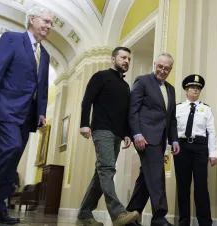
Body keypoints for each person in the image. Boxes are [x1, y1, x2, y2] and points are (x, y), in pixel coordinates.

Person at [0, 5, 53, 224]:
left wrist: (42, 112)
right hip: (6, 106)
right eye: (46, 21)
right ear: (32, 19)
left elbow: (42, 86)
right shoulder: (12, 39)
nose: (49, 26)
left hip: (28, 114)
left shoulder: (44, 54)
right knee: (12, 148)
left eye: (51, 23)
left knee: (14, 158)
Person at [76, 47, 139, 226]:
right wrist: (84, 123)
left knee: (100, 172)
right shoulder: (101, 76)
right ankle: (118, 213)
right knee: (107, 169)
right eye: (123, 57)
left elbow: (125, 111)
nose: (126, 61)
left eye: (129, 58)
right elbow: (87, 100)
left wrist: (127, 133)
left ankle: (84, 213)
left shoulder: (126, 86)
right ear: (113, 59)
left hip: (118, 134)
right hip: (101, 129)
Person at [126, 53, 180, 226]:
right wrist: (136, 134)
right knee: (157, 175)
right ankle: (159, 217)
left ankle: (130, 216)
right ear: (154, 63)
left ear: (170, 69)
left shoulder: (170, 89)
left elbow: (171, 118)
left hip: (161, 139)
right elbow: (132, 110)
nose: (162, 70)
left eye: (166, 68)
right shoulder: (142, 81)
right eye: (160, 66)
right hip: (145, 136)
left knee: (147, 176)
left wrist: (174, 140)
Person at [174, 74, 217, 226]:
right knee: (182, 187)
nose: (196, 90)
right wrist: (167, 150)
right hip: (181, 148)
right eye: (193, 87)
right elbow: (172, 131)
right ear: (186, 90)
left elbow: (211, 132)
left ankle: (205, 223)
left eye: (198, 88)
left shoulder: (206, 109)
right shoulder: (178, 108)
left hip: (200, 148)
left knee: (201, 187)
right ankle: (183, 222)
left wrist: (213, 154)